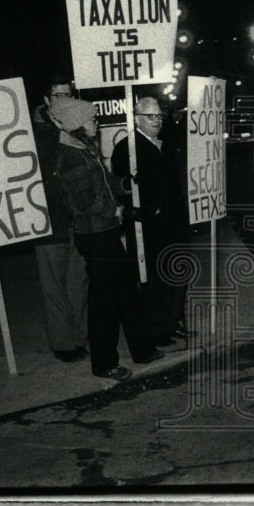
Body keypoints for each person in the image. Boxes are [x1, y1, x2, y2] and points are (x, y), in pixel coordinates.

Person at [50, 97, 162, 380]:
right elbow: (86, 201)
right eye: (91, 120)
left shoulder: (84, 149)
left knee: (126, 291)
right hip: (95, 236)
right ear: (76, 125)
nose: (95, 123)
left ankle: (142, 349)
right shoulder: (71, 158)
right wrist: (120, 210)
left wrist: (124, 183)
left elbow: (103, 183)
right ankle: (104, 363)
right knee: (104, 302)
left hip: (105, 232)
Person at [111, 96, 191, 345]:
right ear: (137, 118)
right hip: (149, 227)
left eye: (159, 115)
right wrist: (146, 211)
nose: (157, 120)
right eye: (150, 116)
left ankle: (173, 321)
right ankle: (156, 328)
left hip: (174, 222)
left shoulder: (164, 144)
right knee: (154, 278)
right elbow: (121, 187)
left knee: (177, 273)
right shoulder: (127, 148)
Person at [32, 75, 89, 363]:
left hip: (79, 220)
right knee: (54, 287)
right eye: (57, 96)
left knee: (78, 284)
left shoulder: (81, 128)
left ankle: (81, 338)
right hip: (47, 221)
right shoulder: (32, 134)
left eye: (68, 95)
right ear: (46, 100)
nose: (63, 101)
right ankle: (64, 345)